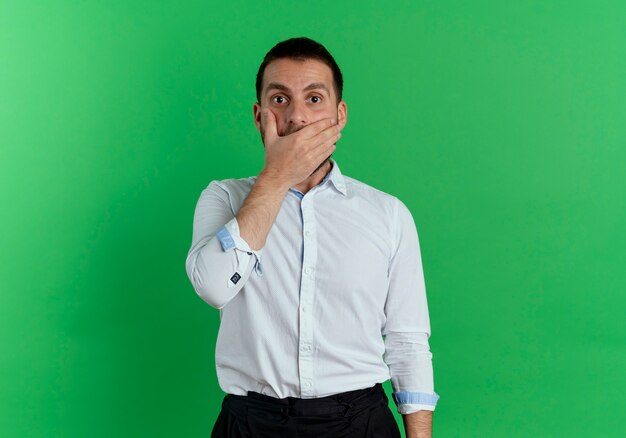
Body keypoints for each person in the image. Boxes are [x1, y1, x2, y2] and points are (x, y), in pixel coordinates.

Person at [185, 37, 440, 438]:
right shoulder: (224, 197)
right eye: (281, 99)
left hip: (360, 421)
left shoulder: (387, 214)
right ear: (259, 115)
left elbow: (407, 343)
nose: (298, 117)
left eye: (315, 99)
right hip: (252, 423)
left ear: (340, 116)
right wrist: (276, 176)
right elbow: (214, 287)